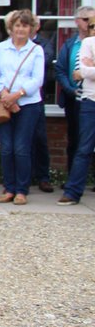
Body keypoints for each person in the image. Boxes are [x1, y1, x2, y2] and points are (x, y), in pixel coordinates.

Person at [0, 9, 45, 205]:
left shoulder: (36, 50)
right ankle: (8, 188)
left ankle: (22, 190)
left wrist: (16, 95)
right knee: (7, 148)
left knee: (22, 148)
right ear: (10, 28)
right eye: (17, 25)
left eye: (25, 25)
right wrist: (5, 95)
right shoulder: (0, 48)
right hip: (4, 104)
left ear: (31, 29)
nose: (21, 29)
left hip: (28, 105)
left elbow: (37, 79)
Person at [55, 6, 95, 175]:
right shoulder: (71, 44)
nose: (90, 24)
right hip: (75, 97)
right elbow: (61, 69)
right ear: (77, 21)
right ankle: (73, 177)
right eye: (87, 20)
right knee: (75, 139)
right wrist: (70, 89)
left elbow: (84, 72)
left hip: (91, 96)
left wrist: (86, 71)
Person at [58, 29, 95, 206]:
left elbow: (84, 73)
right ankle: (72, 192)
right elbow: (79, 71)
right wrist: (87, 70)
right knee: (84, 148)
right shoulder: (88, 43)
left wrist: (89, 69)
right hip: (90, 101)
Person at [29, 23, 55, 193]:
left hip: (37, 97)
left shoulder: (43, 44)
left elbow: (46, 59)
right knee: (20, 142)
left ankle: (43, 177)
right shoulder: (7, 46)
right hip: (14, 99)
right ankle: (24, 177)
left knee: (40, 138)